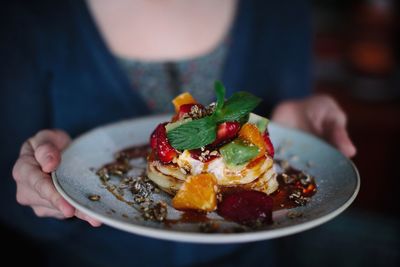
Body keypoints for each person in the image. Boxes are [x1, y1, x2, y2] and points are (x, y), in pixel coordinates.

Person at [2, 0, 356, 266]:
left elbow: (296, 215)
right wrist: (52, 189)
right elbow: (12, 206)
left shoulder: (280, 9)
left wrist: (290, 125)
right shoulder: (26, 16)